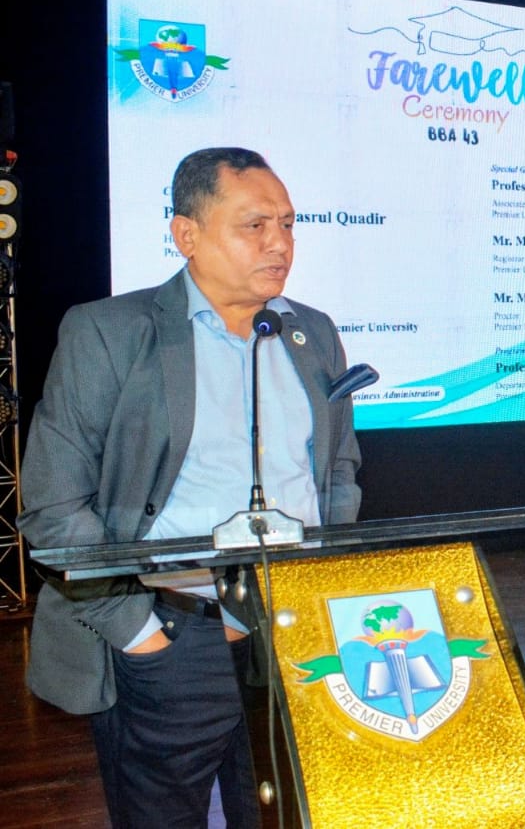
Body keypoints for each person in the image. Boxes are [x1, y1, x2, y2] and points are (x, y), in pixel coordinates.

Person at [18, 147, 362, 828]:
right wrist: (138, 634)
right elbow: (55, 503)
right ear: (187, 235)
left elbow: (339, 470)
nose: (280, 243)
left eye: (288, 224)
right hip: (173, 638)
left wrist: (324, 584)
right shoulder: (109, 332)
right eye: (255, 225)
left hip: (293, 633)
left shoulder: (312, 333)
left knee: (283, 816)